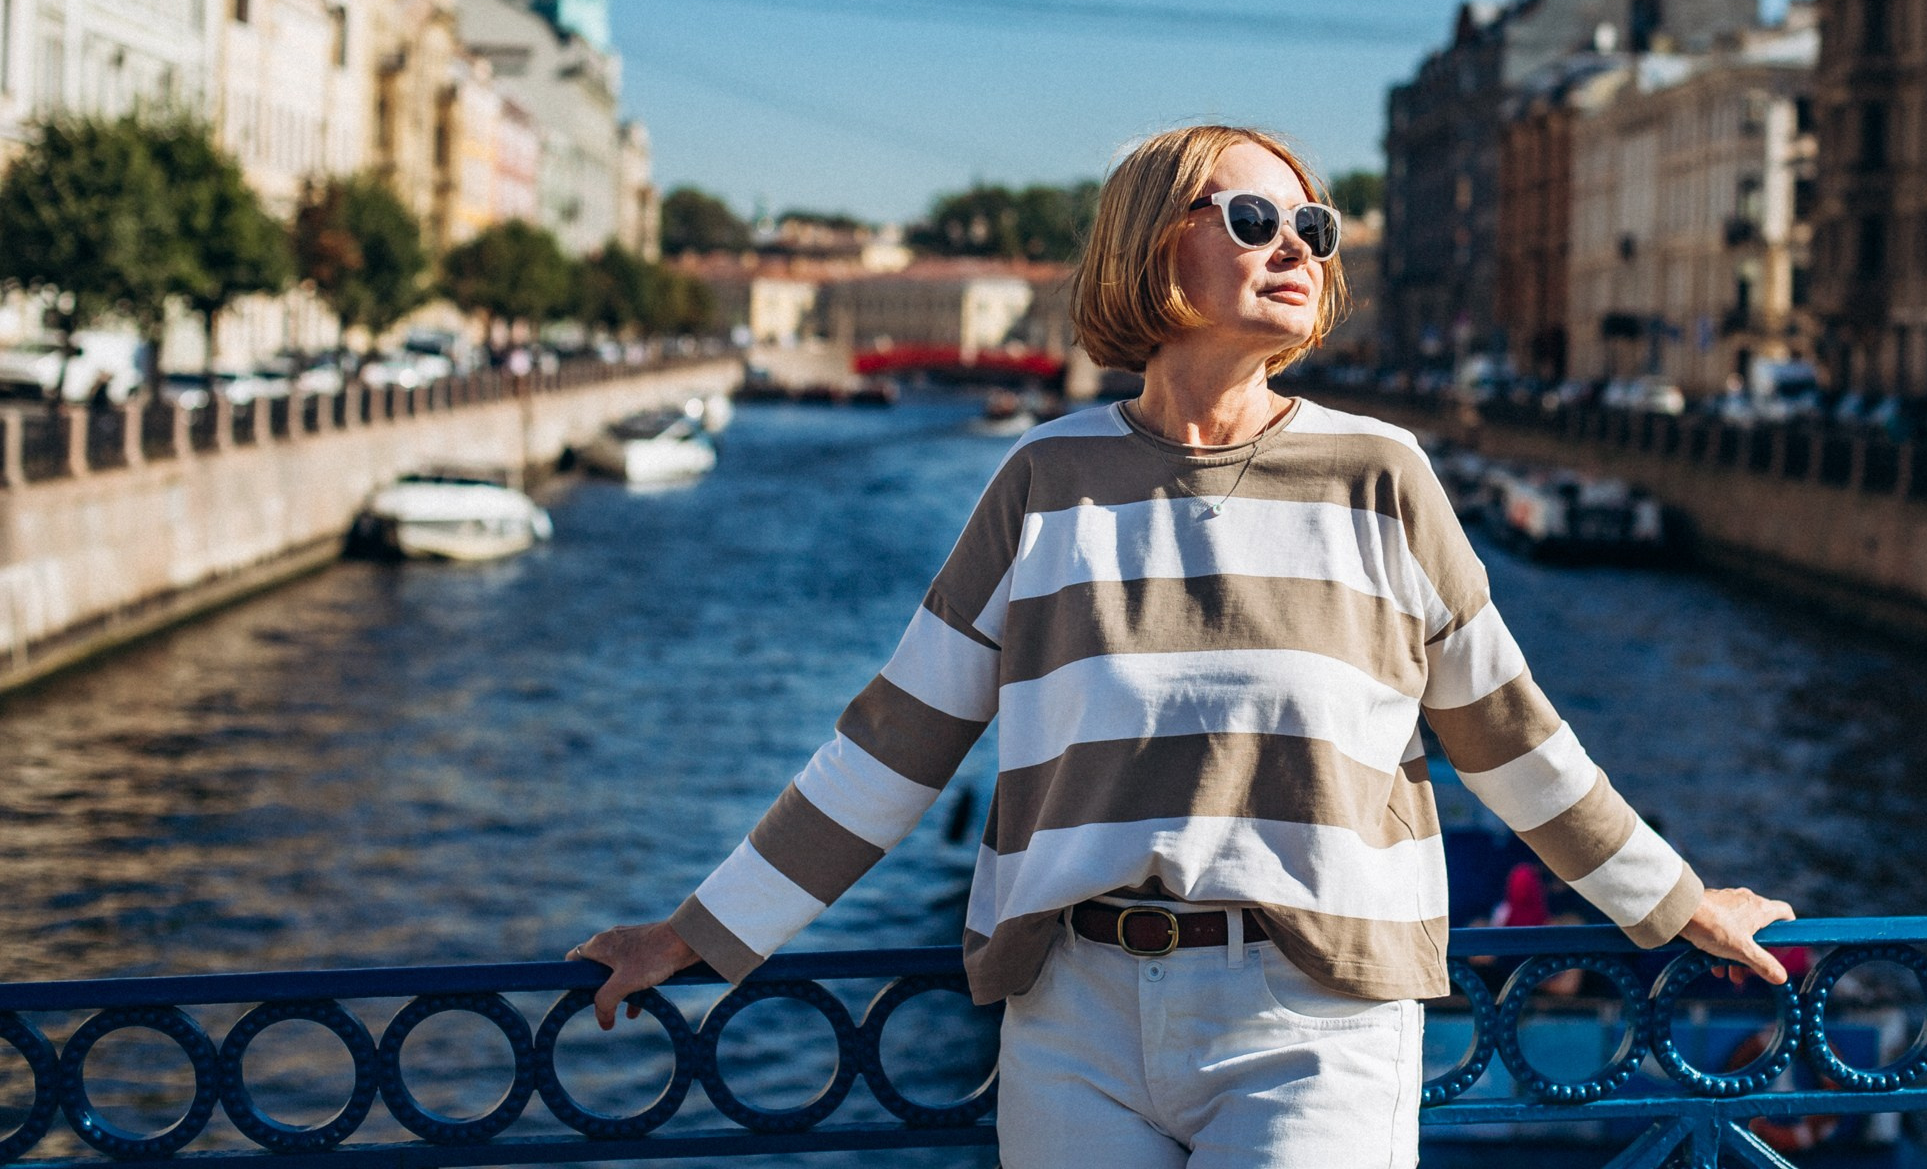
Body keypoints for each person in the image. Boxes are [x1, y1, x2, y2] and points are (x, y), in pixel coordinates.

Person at [570, 124, 1794, 1168]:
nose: (1297, 247)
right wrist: (699, 931)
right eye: (1255, 218)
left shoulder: (1381, 475)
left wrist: (1673, 901)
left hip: (1316, 1012)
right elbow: (896, 739)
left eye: (1315, 227)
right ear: (1153, 245)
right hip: (1074, 1016)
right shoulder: (1044, 478)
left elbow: (1508, 734)